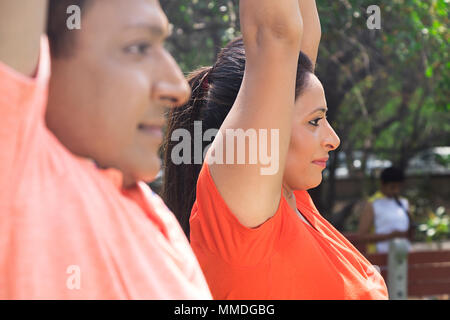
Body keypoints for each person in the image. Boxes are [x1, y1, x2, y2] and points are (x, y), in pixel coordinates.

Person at [162, 0, 388, 299]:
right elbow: (276, 33)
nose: (333, 139)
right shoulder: (246, 225)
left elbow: (299, 41)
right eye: (315, 121)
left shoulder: (293, 204)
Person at [0, 0, 211, 299]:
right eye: (138, 48)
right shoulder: (19, 169)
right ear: (45, 59)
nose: (178, 88)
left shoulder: (154, 217)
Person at [358, 166, 413, 254]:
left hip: (401, 256)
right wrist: (390, 236)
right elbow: (361, 236)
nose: (396, 191)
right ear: (382, 184)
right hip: (379, 256)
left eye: (399, 187)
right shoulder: (372, 203)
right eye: (392, 187)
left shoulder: (403, 202)